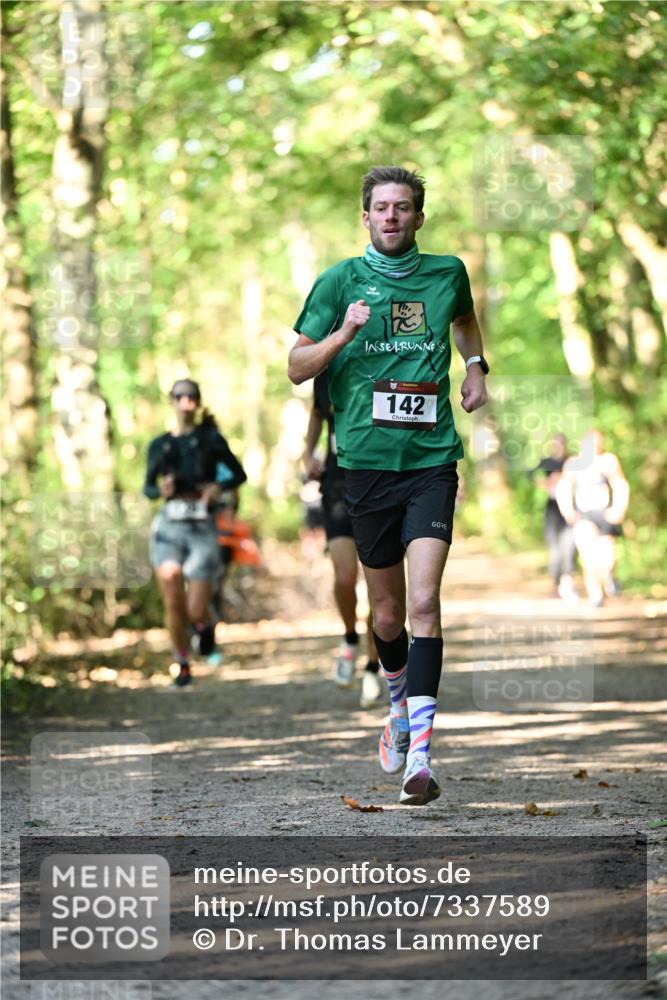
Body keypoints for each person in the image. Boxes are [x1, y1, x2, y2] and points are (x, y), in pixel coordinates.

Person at [288, 165, 488, 804]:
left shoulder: (447, 272)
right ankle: (397, 709)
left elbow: (463, 321)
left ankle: (421, 758)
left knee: (425, 603)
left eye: (404, 207)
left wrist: (477, 366)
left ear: (419, 217)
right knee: (387, 613)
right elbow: (296, 366)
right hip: (364, 468)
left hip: (431, 461)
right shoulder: (338, 281)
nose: (393, 216)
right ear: (366, 217)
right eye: (382, 208)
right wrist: (342, 333)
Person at [144, 378, 247, 686]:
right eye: (179, 397)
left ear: (198, 402)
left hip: (202, 527)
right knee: (172, 592)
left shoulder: (211, 439)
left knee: (195, 608)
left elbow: (239, 474)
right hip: (169, 528)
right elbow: (147, 488)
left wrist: (218, 486)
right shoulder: (159, 445)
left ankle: (205, 626)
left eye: (191, 397)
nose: (185, 402)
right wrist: (159, 488)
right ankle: (183, 662)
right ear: (172, 402)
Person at [303, 371, 382, 707]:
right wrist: (307, 454)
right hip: (337, 487)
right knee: (345, 576)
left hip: (381, 484)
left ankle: (374, 668)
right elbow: (317, 415)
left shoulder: (385, 363)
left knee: (381, 590)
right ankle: (350, 638)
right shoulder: (326, 374)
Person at [555, 429, 629, 606]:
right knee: (588, 557)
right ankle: (595, 595)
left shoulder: (608, 461)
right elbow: (563, 487)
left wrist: (619, 508)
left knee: (608, 558)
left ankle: (609, 577)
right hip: (584, 515)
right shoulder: (574, 463)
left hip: (605, 514)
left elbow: (620, 484)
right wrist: (567, 510)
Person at [530, 433, 578, 600]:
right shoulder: (547, 462)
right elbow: (531, 474)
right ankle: (556, 584)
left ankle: (568, 581)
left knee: (569, 546)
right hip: (552, 507)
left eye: (560, 443)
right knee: (554, 548)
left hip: (571, 508)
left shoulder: (571, 461)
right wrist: (546, 483)